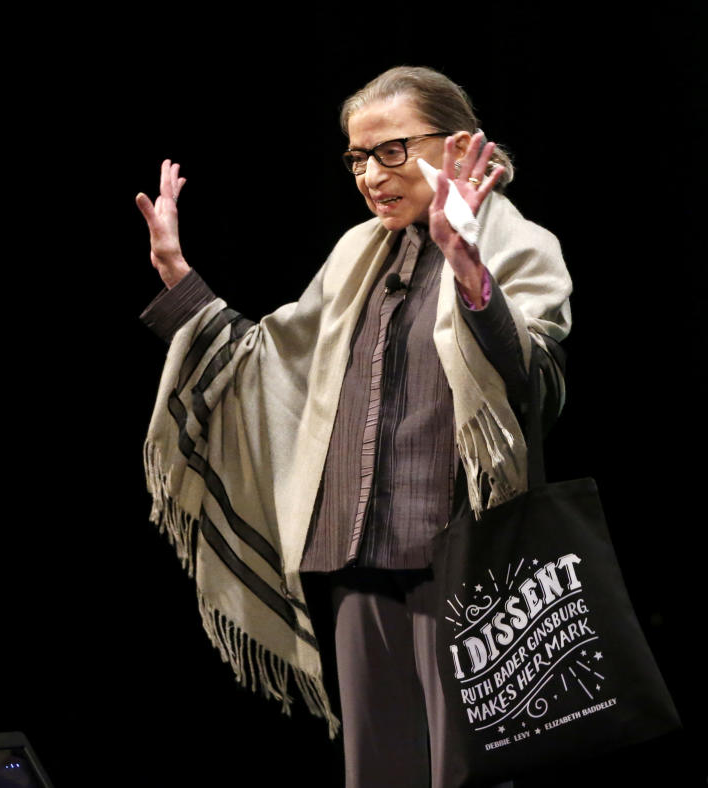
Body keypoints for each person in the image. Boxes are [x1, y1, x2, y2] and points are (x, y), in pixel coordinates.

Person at [136, 66, 572, 788]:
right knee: (380, 771)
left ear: (458, 144)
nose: (371, 174)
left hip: (460, 551)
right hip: (357, 551)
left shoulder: (519, 246)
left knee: (468, 769)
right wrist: (181, 278)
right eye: (357, 158)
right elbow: (267, 366)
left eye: (391, 151)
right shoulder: (357, 254)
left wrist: (468, 269)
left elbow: (534, 385)